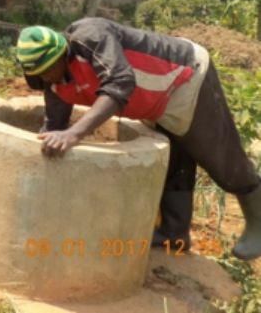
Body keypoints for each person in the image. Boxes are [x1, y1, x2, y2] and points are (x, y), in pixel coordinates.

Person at [16, 18, 261, 260]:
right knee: (175, 160)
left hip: (184, 76)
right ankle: (173, 234)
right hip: (155, 99)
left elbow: (120, 82)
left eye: (49, 70)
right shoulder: (55, 85)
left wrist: (75, 133)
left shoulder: (91, 36)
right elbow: (54, 127)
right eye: (39, 74)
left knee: (221, 158)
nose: (47, 78)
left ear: (62, 55)